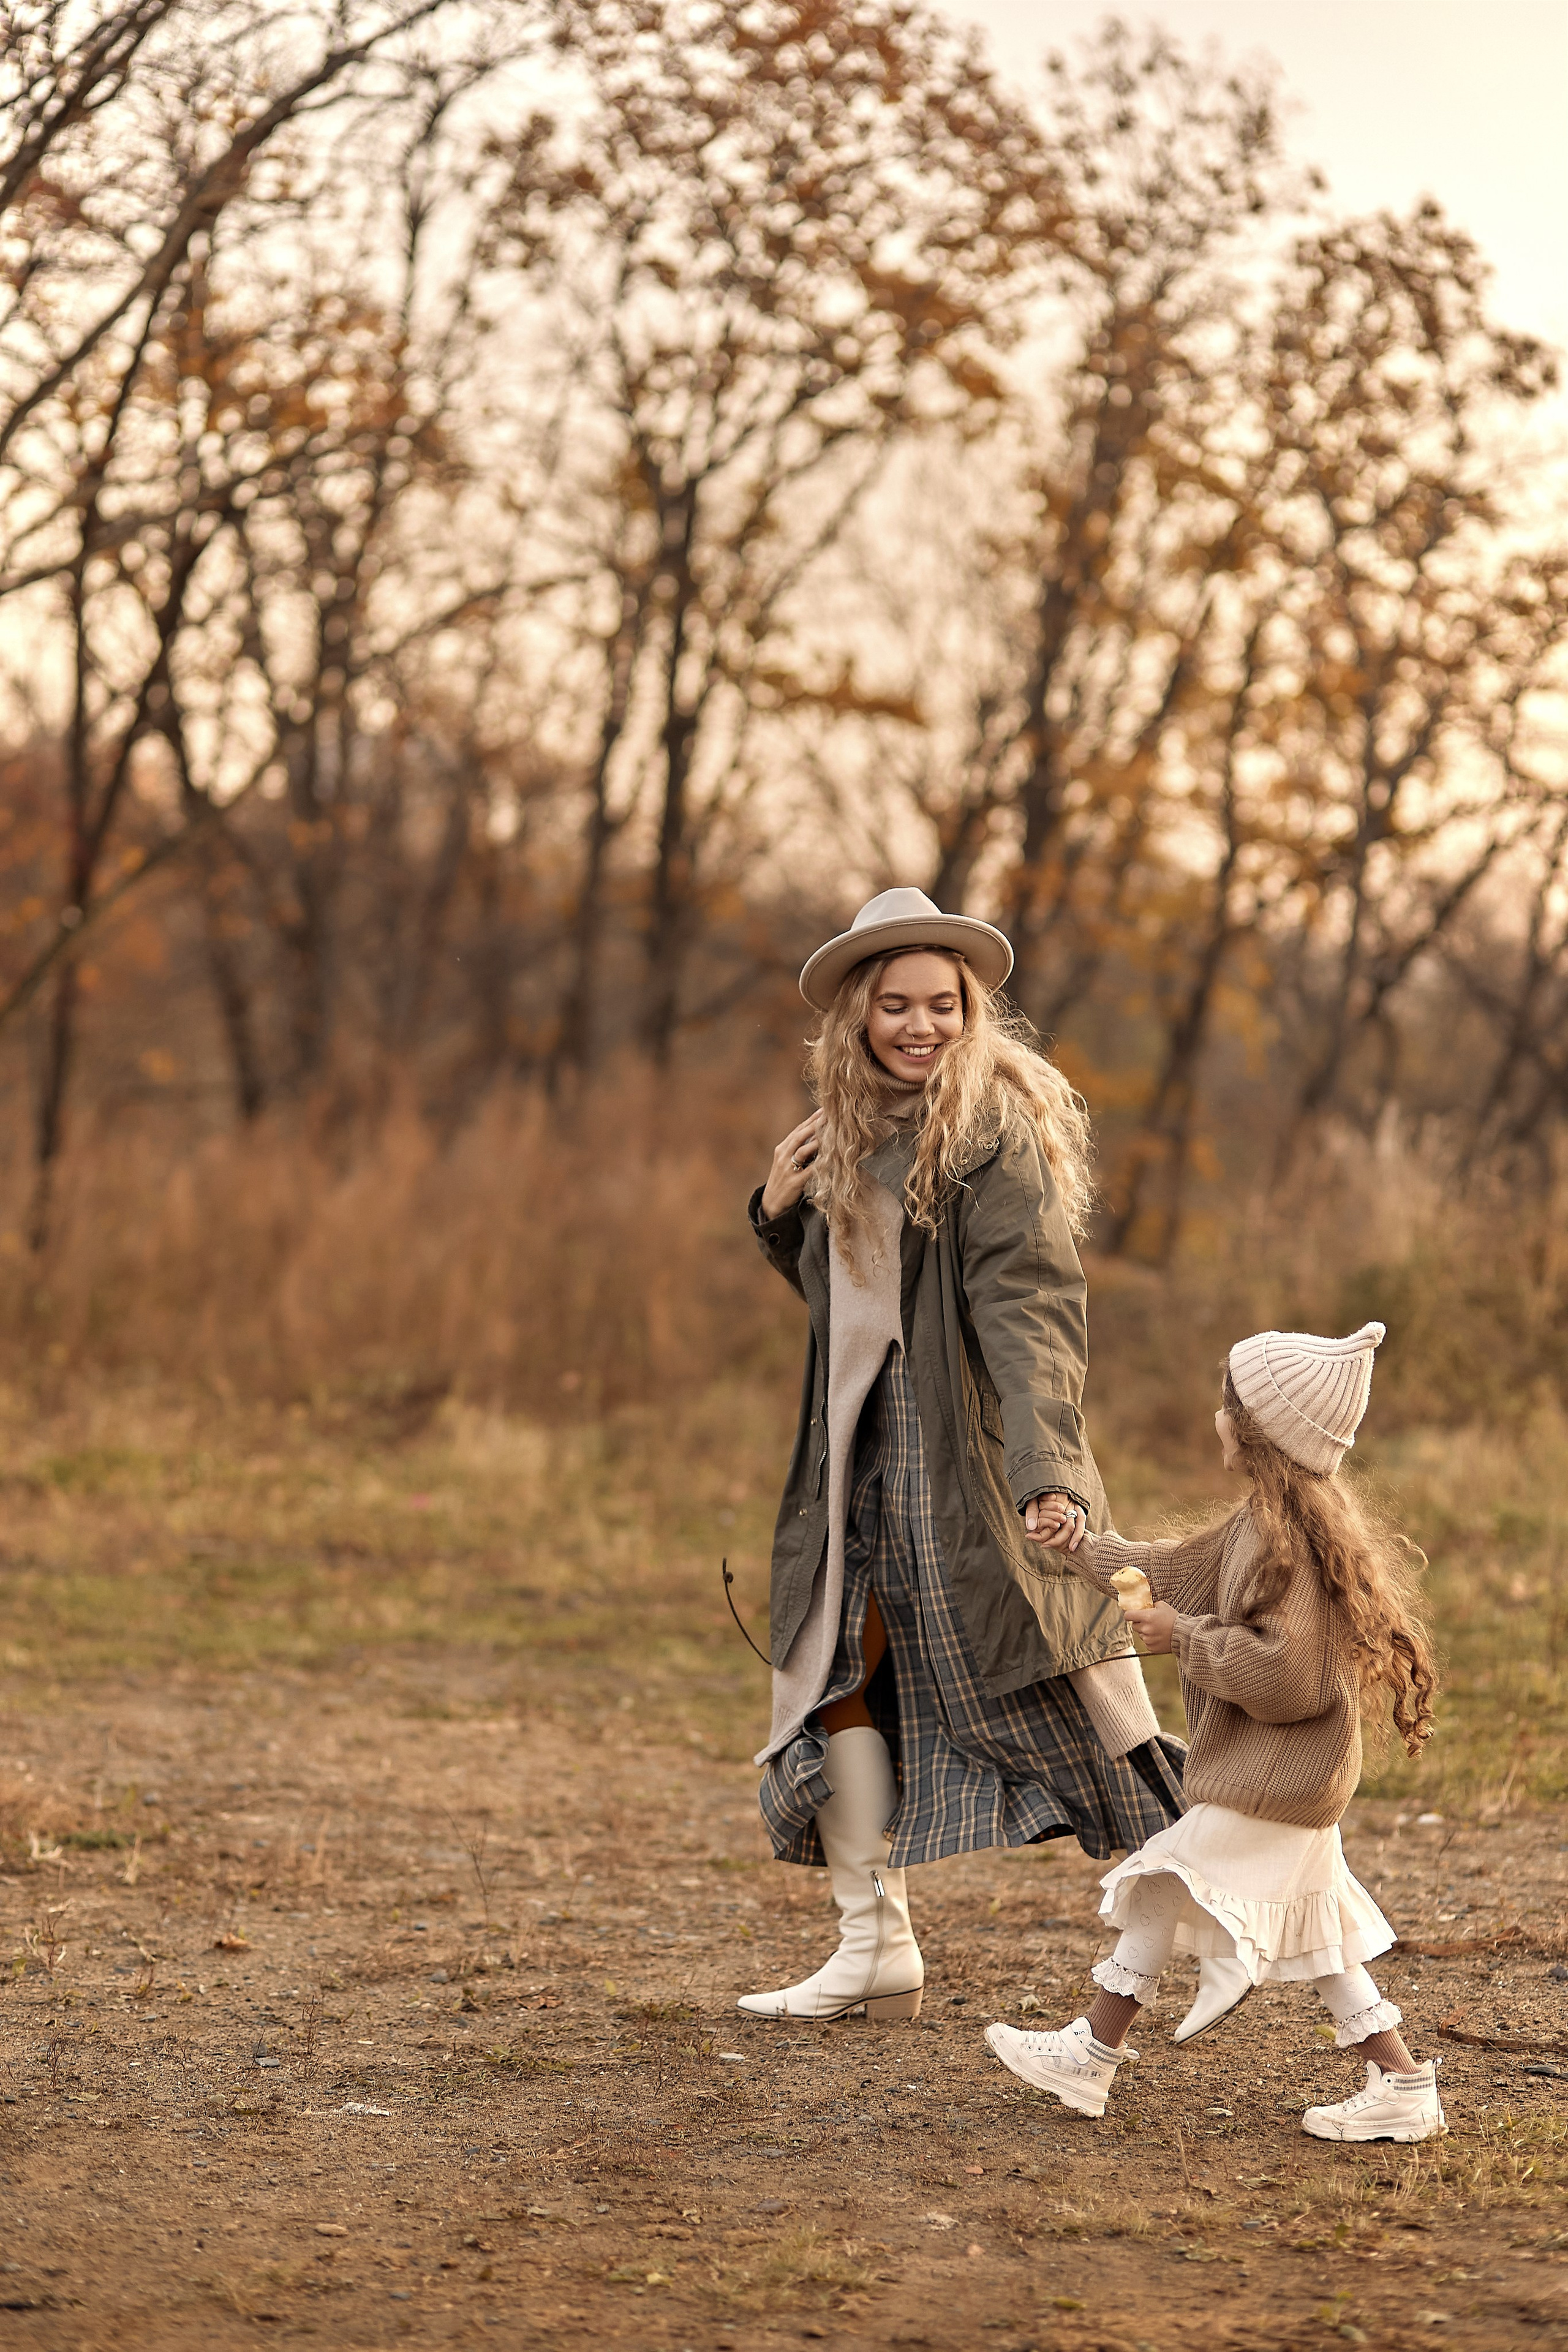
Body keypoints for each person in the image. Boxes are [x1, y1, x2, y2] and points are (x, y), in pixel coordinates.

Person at [738, 887, 1186, 2025]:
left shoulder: (992, 1134)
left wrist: (1051, 1474)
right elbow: (852, 1305)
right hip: (854, 1463)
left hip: (966, 1470)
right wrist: (779, 1215)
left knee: (1075, 1692)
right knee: (836, 1677)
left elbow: (1032, 1313)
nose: (921, 1025)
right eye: (896, 1005)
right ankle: (872, 1946)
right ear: (858, 1015)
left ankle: (1218, 1916)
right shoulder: (842, 1132)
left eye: (943, 1003)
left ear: (973, 1011)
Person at [986, 1322, 1447, 2144]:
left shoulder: (1288, 1546)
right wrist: (1082, 1548)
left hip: (1276, 1775)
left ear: (1254, 1430)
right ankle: (1401, 2080)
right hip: (1287, 1779)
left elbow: (1290, 1678)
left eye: (1227, 1402)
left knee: (1161, 1876)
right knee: (1328, 1936)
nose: (1218, 1415)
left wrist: (1185, 1641)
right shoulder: (1257, 1526)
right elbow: (1158, 1575)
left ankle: (1091, 2051)